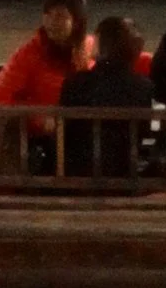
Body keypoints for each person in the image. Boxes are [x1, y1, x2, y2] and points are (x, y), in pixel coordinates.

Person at [58, 12, 157, 176]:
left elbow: (64, 131)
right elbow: (143, 132)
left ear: (101, 44)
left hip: (78, 172)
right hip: (123, 173)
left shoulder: (75, 83)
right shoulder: (143, 87)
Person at [0, 0, 91, 115]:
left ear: (77, 22)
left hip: (82, 129)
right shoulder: (28, 55)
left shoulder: (91, 49)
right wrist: (38, 118)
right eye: (47, 15)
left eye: (60, 16)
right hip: (37, 132)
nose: (51, 22)